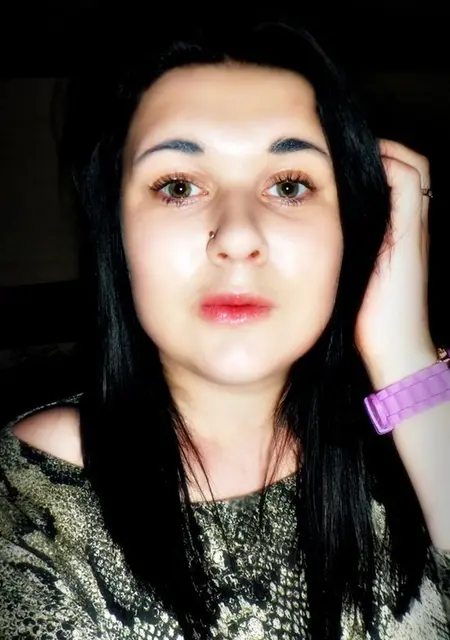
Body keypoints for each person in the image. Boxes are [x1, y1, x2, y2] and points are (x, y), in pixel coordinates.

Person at [0, 18, 448, 640]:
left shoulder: (416, 435)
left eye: (289, 185)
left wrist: (405, 358)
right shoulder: (30, 501)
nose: (237, 236)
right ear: (117, 231)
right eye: (179, 186)